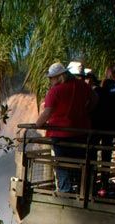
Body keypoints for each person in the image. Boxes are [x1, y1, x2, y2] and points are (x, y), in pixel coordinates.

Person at [36, 62, 98, 193]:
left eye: (51, 77)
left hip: (61, 135)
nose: (50, 80)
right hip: (81, 132)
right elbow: (95, 99)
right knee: (80, 162)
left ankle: (65, 191)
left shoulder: (55, 91)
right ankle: (84, 190)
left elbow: (47, 112)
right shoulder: (82, 86)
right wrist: (86, 110)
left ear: (59, 76)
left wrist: (38, 124)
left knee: (61, 164)